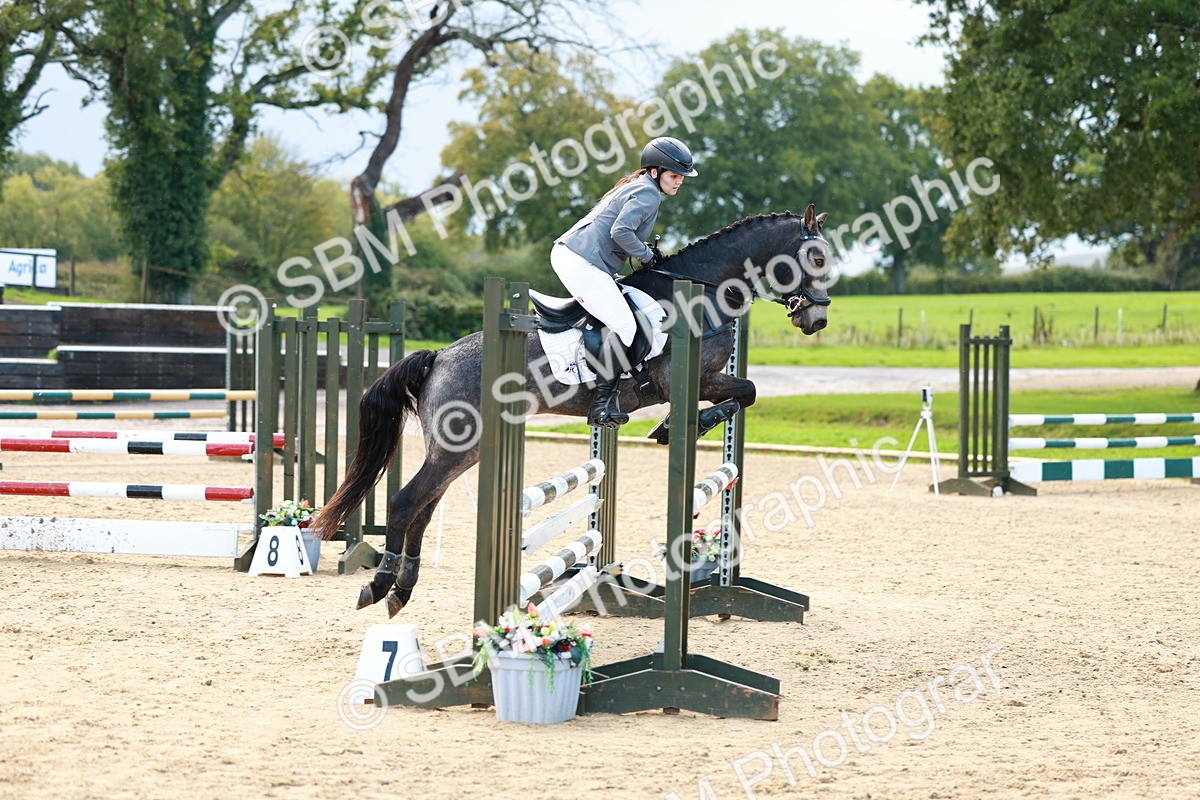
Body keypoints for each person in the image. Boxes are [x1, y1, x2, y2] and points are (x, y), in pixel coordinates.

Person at [552, 136, 698, 428]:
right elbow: (621, 232)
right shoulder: (648, 194)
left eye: (681, 176)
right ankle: (601, 405)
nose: (679, 181)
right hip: (581, 262)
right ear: (655, 172)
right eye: (674, 175)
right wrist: (646, 256)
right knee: (625, 325)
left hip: (583, 259)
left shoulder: (640, 186)